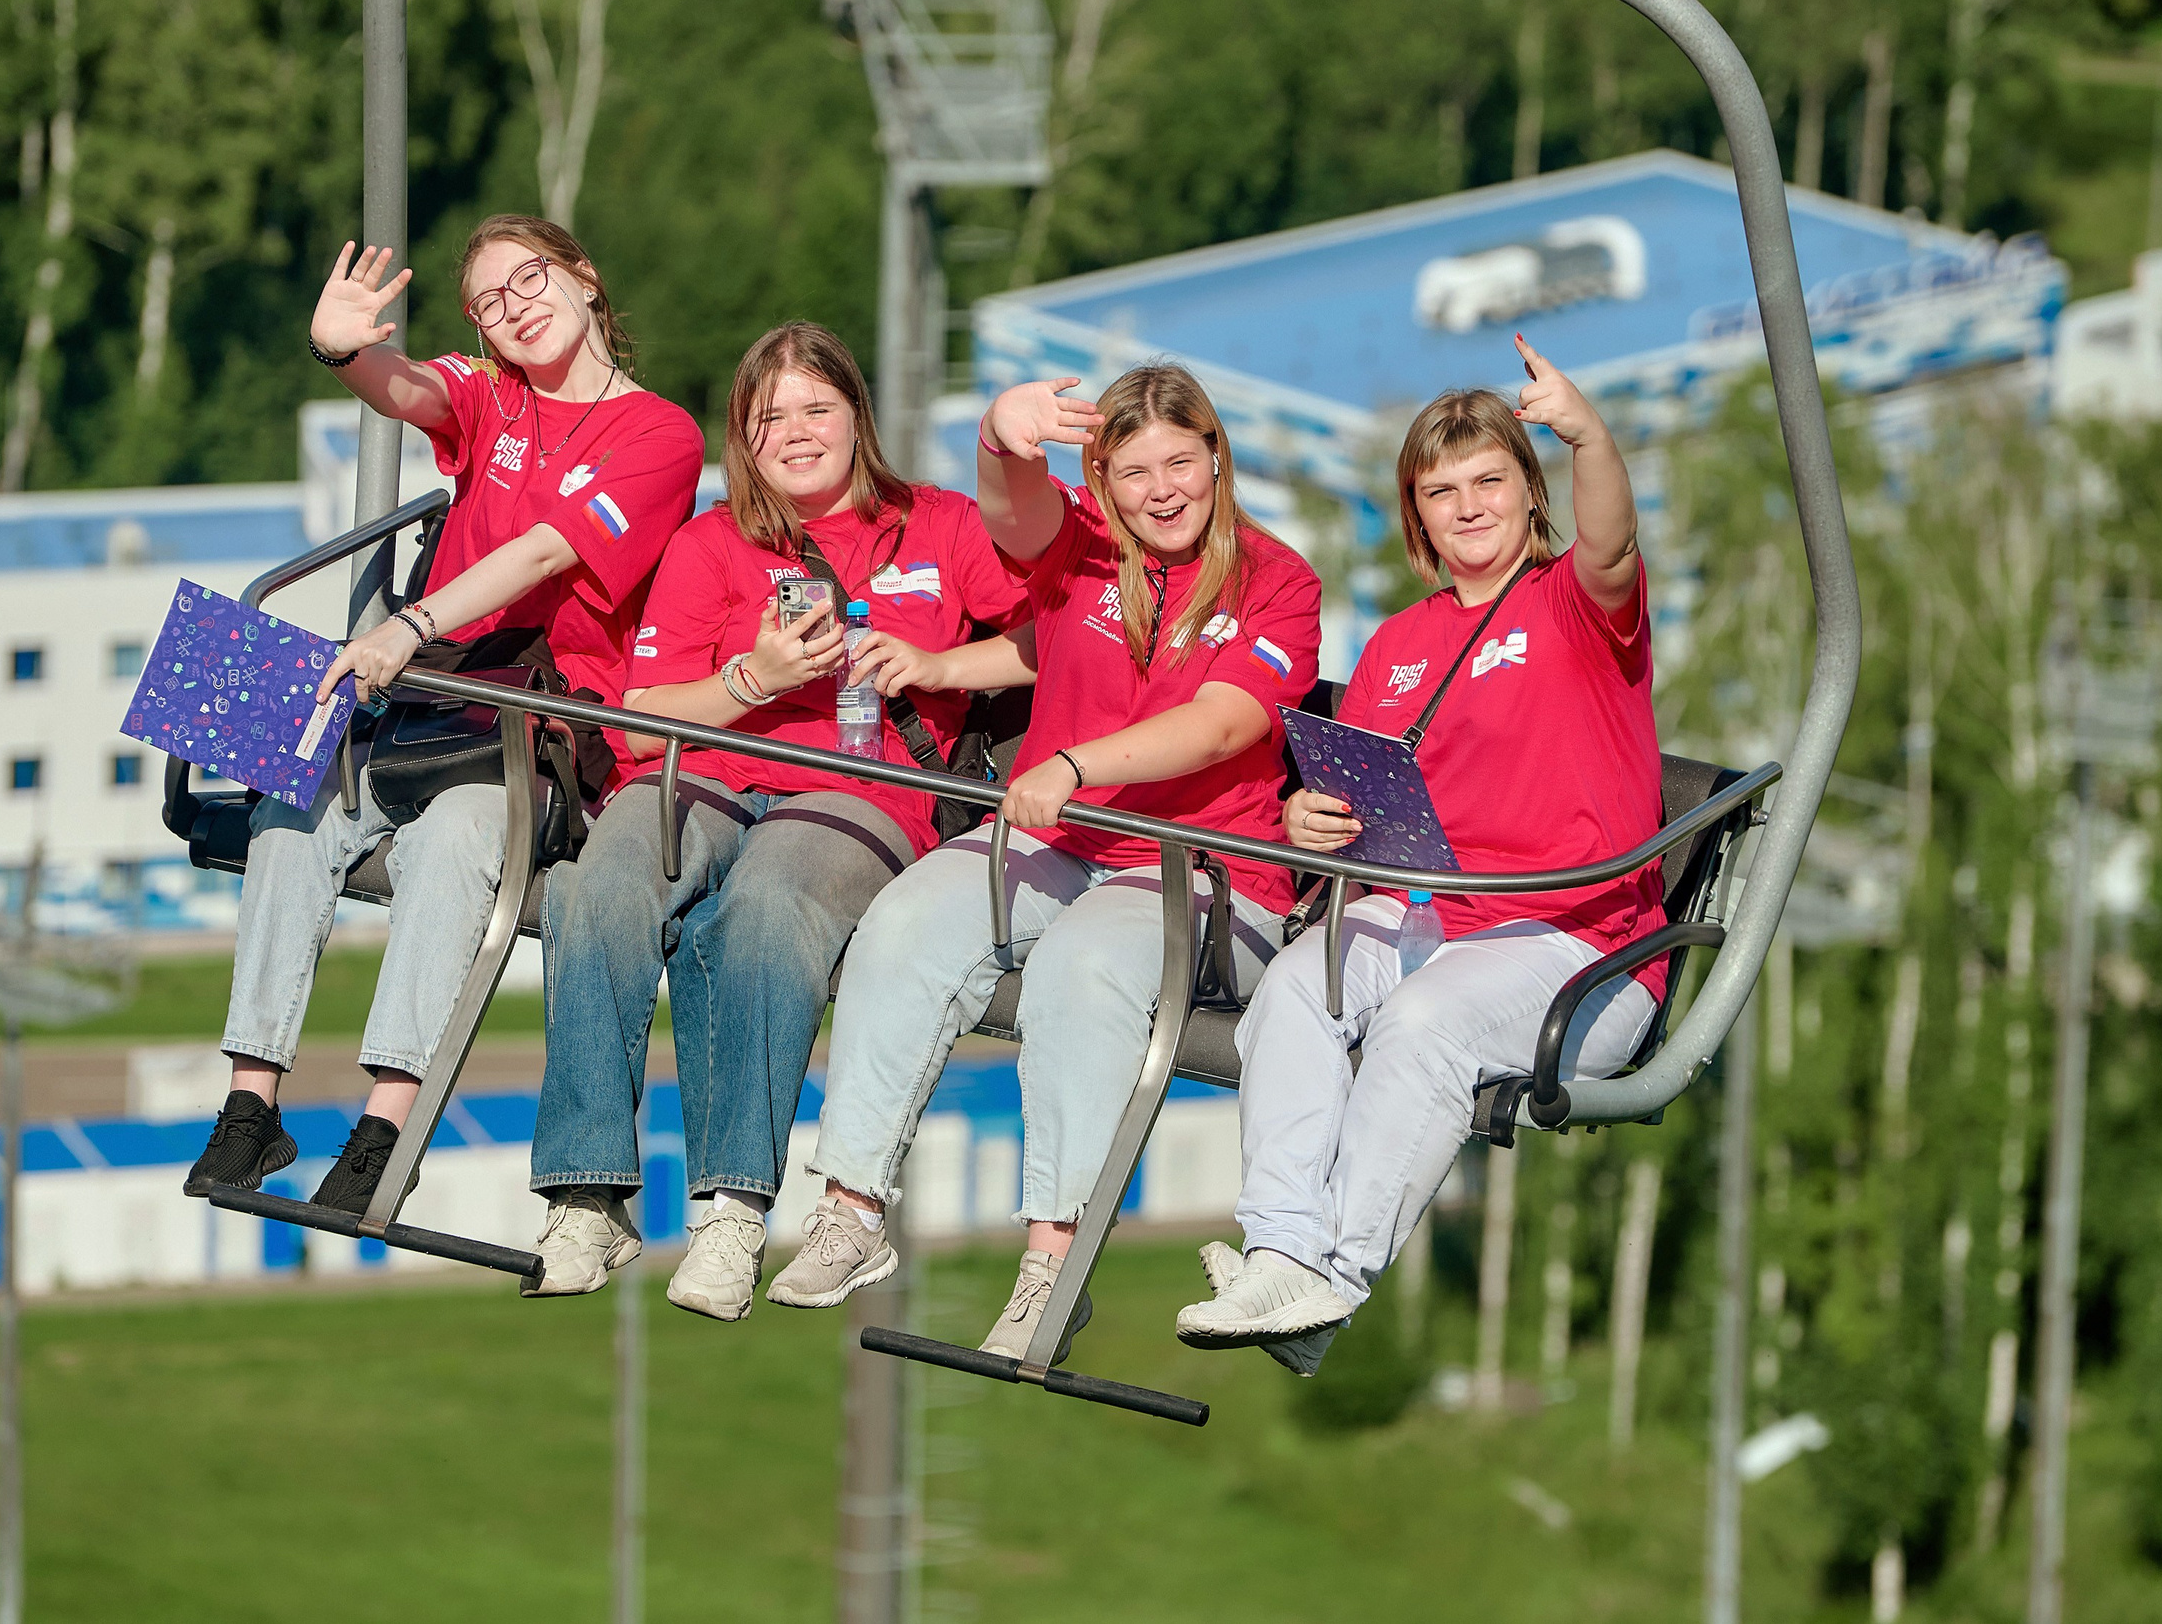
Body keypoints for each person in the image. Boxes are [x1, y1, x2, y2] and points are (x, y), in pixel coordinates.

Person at [768, 362, 1323, 1360]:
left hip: (1197, 869)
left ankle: (1051, 1264)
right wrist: (997, 438)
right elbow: (1022, 532)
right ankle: (850, 1208)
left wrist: (1072, 762)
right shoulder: (1084, 549)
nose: (1161, 492)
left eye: (1180, 464)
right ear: (1101, 481)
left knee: (1080, 965)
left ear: (1216, 460)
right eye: (1133, 471)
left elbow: (1220, 724)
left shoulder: (1277, 583)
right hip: (1061, 836)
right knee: (902, 923)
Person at [184, 216, 703, 1214]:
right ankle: (252, 1103)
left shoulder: (658, 435)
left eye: (532, 279)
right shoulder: (491, 397)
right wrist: (343, 348)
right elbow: (408, 386)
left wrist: (410, 620)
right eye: (490, 301)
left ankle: (388, 1119)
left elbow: (548, 552)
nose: (516, 308)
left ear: (584, 278)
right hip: (435, 685)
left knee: (461, 836)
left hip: (543, 709)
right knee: (289, 817)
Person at [524, 321, 1035, 1320]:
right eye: (771, 419)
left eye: (816, 407)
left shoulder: (938, 525)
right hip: (707, 774)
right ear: (745, 441)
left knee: (762, 906)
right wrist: (754, 676)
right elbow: (644, 710)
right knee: (600, 881)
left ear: (857, 415)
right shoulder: (715, 542)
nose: (796, 433)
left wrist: (937, 667)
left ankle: (729, 1206)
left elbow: (1050, 638)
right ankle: (589, 1189)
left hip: (859, 789)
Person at [1173, 336, 1661, 1376]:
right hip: (1434, 914)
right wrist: (1312, 817)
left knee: (1424, 1021)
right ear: (1416, 515)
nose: (1468, 506)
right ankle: (1279, 1250)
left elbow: (1612, 547)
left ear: (1533, 496)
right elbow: (1365, 795)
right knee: (1297, 986)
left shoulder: (1572, 608)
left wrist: (1586, 435)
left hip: (1572, 946)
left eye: (1490, 481)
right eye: (1441, 491)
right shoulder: (1397, 644)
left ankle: (1331, 1277)